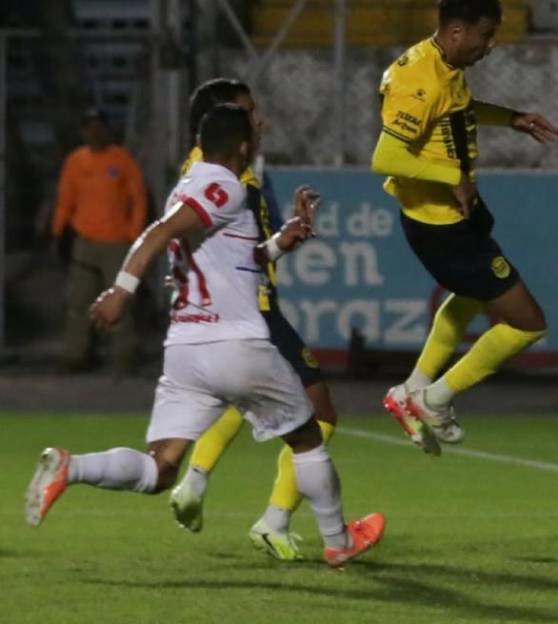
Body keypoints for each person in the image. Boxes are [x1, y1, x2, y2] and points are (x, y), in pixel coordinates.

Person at [24, 104, 385, 567]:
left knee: (160, 467)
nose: (259, 137)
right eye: (253, 133)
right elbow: (158, 232)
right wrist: (121, 290)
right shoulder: (225, 184)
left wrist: (280, 243)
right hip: (235, 342)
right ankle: (339, 542)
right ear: (241, 146)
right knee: (308, 437)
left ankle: (69, 467)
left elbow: (230, 258)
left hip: (186, 349)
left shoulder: (191, 184)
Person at [373, 0, 558, 455]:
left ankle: (412, 390)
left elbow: (455, 112)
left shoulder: (438, 63)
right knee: (528, 323)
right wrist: (450, 176)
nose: (490, 45)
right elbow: (386, 157)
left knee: (470, 297)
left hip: (456, 215)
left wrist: (511, 117)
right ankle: (436, 399)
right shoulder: (419, 80)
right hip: (440, 223)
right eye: (485, 35)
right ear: (457, 32)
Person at [168, 78, 336, 562]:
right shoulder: (222, 182)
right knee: (319, 416)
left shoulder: (217, 174)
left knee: (237, 402)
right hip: (251, 311)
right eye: (247, 112)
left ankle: (193, 482)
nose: (258, 120)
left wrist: (286, 238)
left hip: (239, 310)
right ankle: (284, 522)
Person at [52, 107, 147, 374]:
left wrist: (133, 234)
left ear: (108, 130)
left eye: (99, 127)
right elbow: (65, 201)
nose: (94, 133)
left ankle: (124, 356)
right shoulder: (75, 161)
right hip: (84, 243)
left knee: (120, 302)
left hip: (117, 245)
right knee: (78, 302)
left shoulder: (122, 160)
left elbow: (138, 199)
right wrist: (57, 233)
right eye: (89, 128)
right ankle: (75, 355)